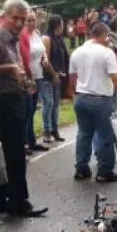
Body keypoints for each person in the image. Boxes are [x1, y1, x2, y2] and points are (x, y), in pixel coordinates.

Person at [0, 0, 48, 217]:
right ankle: (19, 203)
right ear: (4, 16)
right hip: (2, 100)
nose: (20, 23)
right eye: (16, 18)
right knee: (14, 152)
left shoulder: (14, 38)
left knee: (6, 152)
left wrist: (24, 79)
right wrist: (10, 68)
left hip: (14, 96)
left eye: (23, 19)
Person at [69, 22, 117, 182]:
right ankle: (104, 171)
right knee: (105, 135)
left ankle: (81, 168)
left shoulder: (77, 52)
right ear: (105, 35)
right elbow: (116, 77)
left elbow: (72, 78)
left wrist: (75, 94)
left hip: (81, 98)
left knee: (83, 134)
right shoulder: (106, 53)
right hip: (100, 99)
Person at [23, 11, 56, 153]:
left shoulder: (36, 34)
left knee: (32, 110)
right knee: (27, 110)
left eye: (33, 20)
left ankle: (32, 141)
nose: (31, 23)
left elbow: (43, 51)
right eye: (28, 21)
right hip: (27, 77)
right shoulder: (22, 36)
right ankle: (25, 141)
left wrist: (45, 59)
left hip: (39, 75)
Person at [41, 14, 70, 143]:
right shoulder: (47, 38)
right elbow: (45, 59)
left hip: (58, 75)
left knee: (56, 105)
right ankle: (46, 131)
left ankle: (54, 129)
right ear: (58, 24)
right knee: (48, 104)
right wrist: (53, 74)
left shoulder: (59, 38)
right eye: (62, 23)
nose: (63, 25)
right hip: (48, 76)